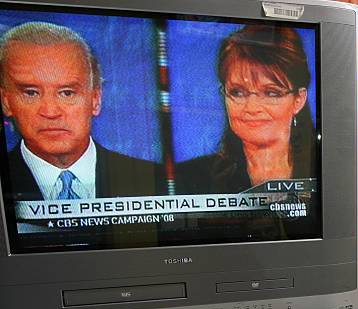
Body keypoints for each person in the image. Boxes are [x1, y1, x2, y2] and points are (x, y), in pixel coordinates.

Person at [0, 22, 161, 201]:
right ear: (6, 102)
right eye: (31, 93)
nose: (51, 112)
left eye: (67, 93)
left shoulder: (154, 181)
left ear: (95, 100)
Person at [176, 25, 316, 194]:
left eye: (271, 93)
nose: (251, 108)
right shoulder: (190, 179)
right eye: (238, 92)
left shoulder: (323, 169)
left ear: (298, 100)